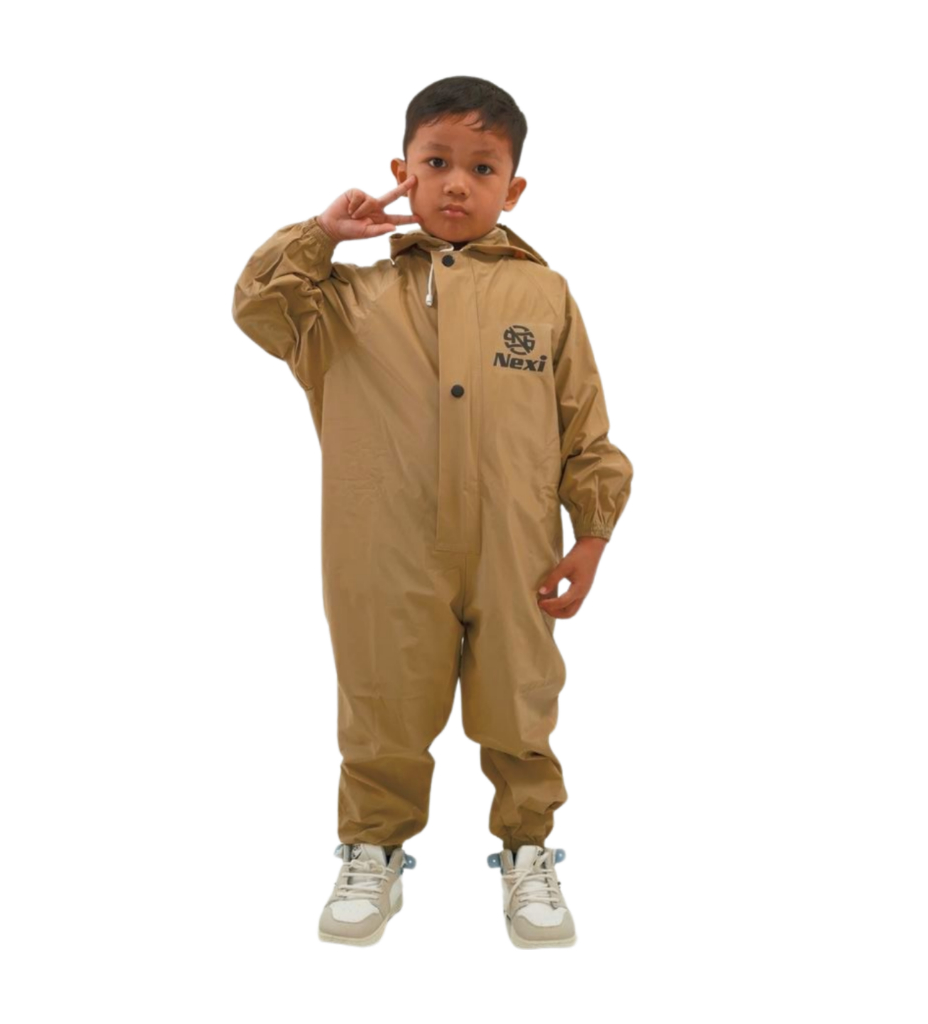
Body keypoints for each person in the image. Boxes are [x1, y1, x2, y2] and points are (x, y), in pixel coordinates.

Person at [230, 76, 633, 948]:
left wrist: (592, 535)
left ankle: (528, 851)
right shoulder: (342, 302)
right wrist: (321, 236)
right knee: (381, 703)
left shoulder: (545, 296)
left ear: (513, 188)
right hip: (381, 549)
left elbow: (584, 429)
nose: (457, 183)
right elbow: (256, 307)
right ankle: (372, 851)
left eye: (483, 168)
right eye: (437, 161)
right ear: (400, 172)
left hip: (516, 551)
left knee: (521, 705)